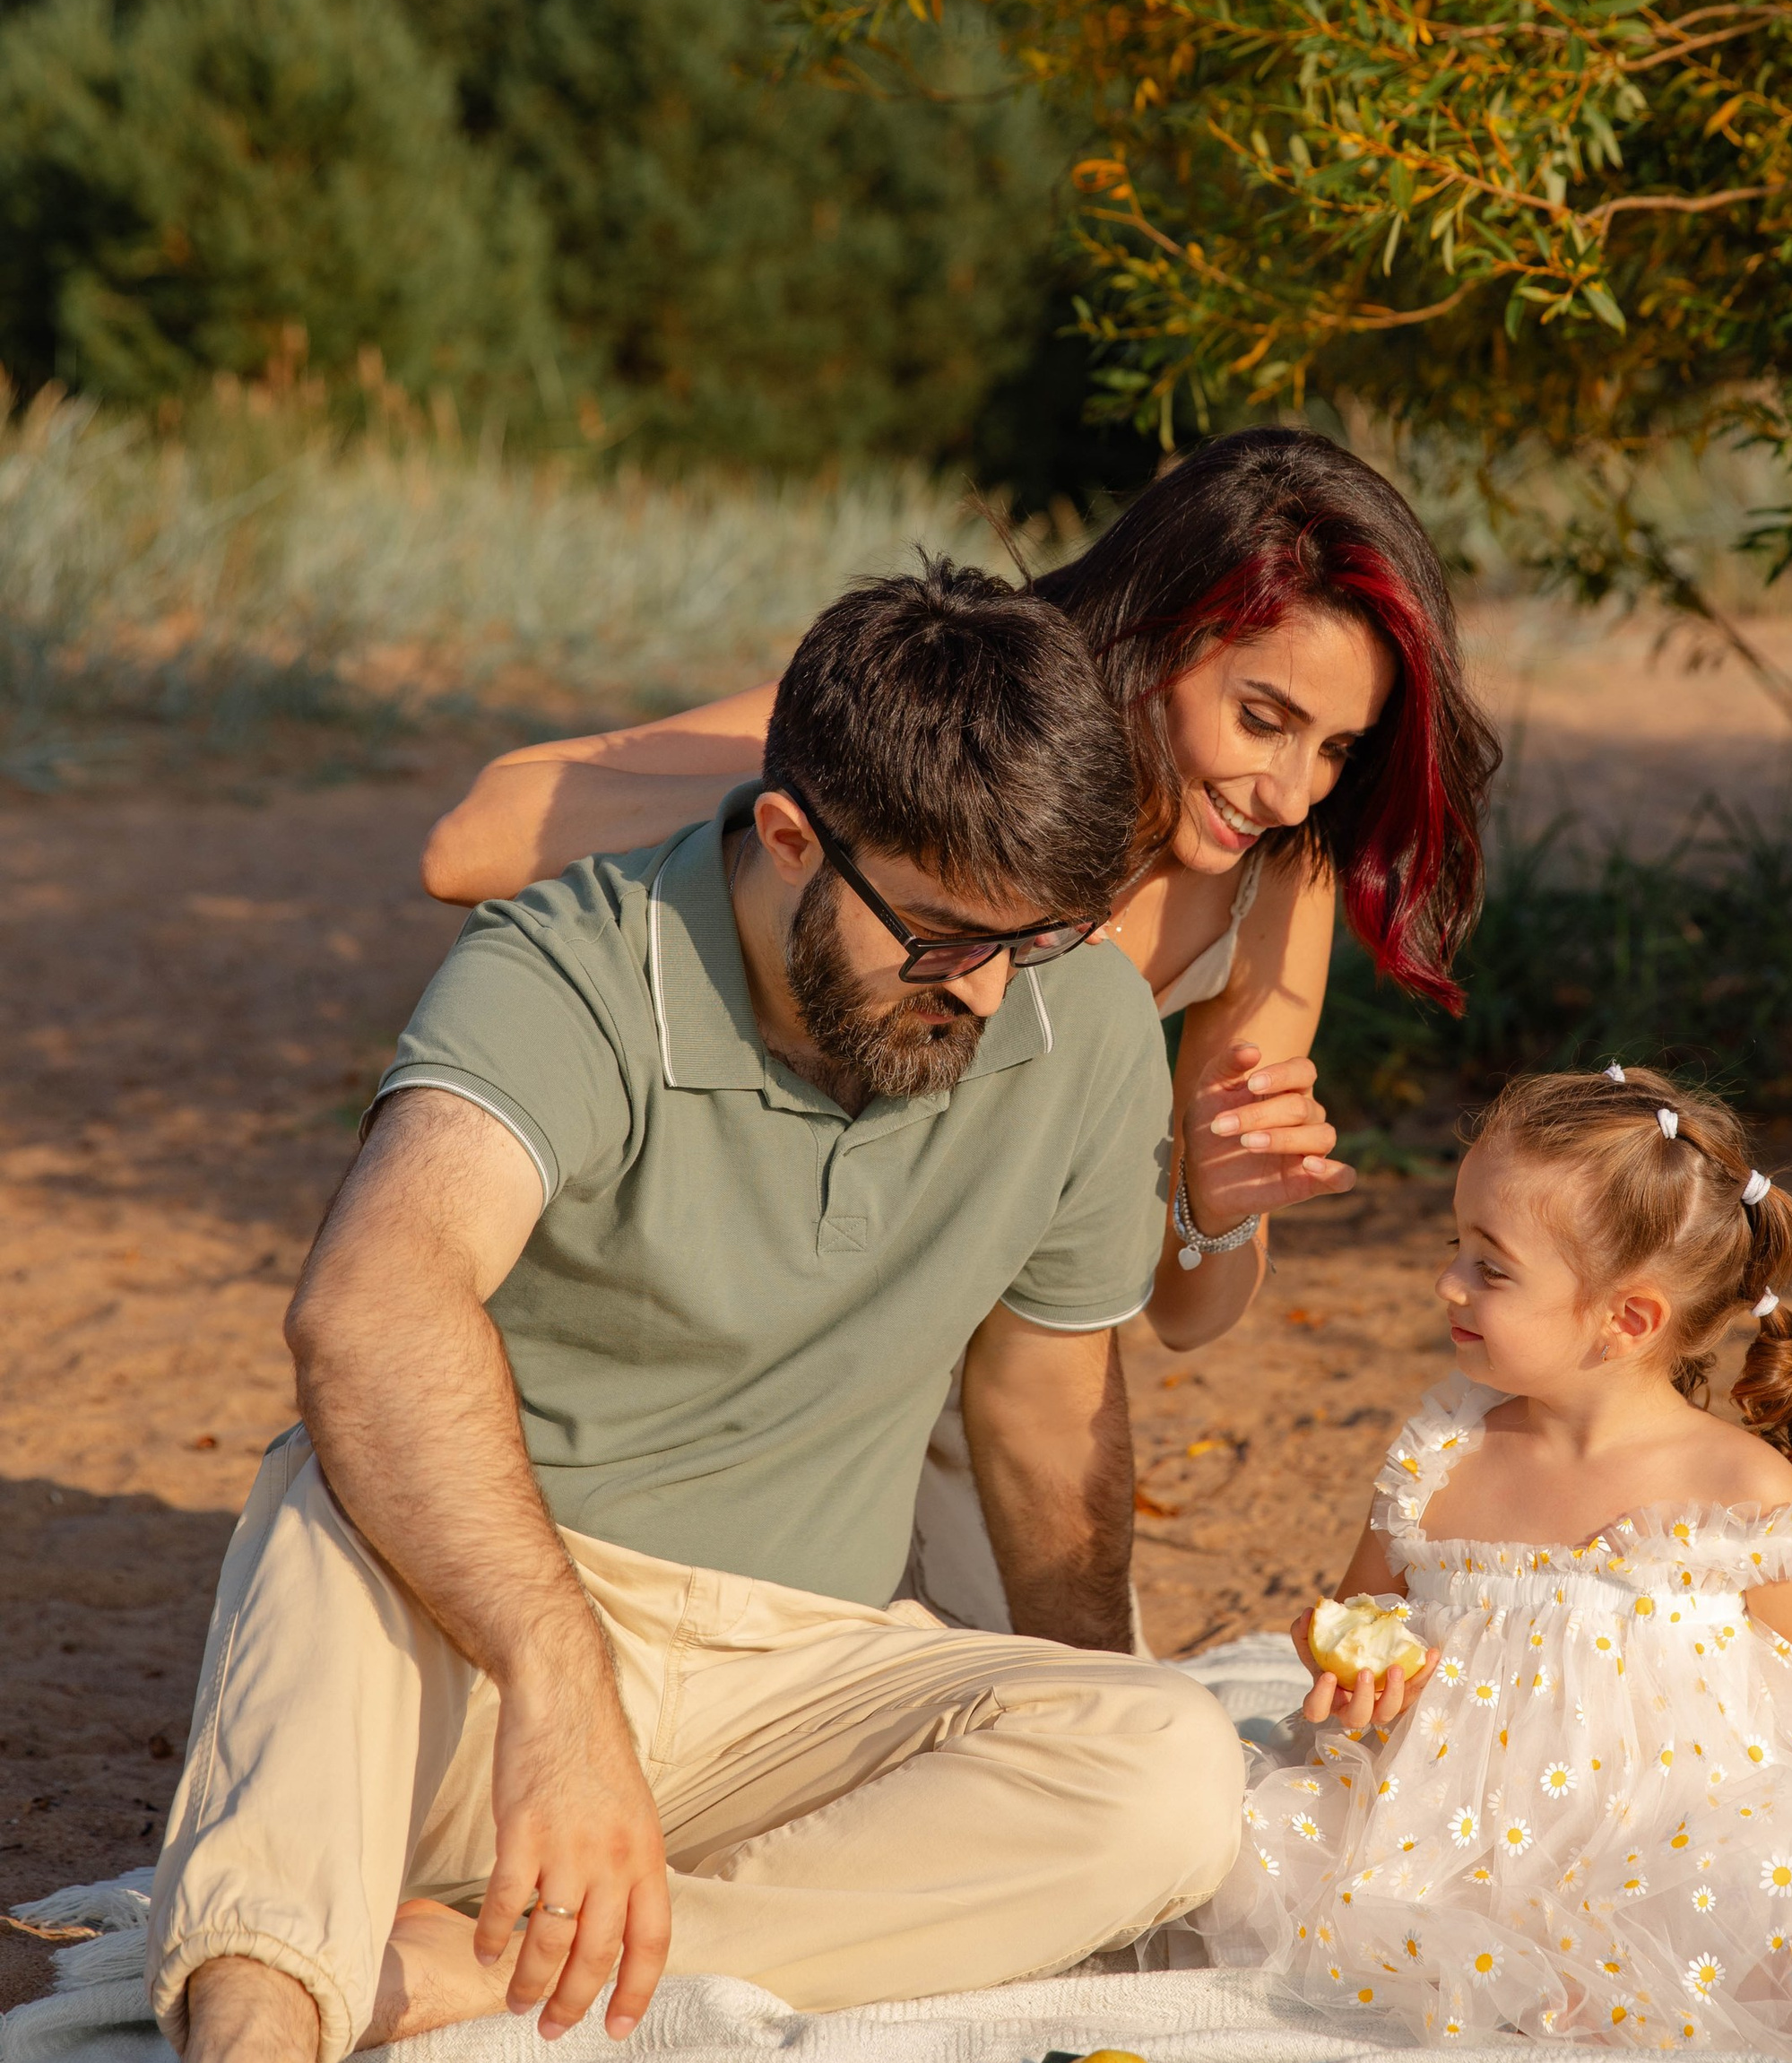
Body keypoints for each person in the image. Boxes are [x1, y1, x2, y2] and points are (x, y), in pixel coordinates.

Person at [22, 563, 1246, 2063]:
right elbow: (375, 1301)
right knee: (323, 1495)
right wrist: (550, 1666)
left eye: (1028, 945)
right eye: (945, 937)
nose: (984, 997)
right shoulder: (569, 966)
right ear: (788, 834)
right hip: (484, 1655)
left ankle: (474, 1965)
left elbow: (1047, 1420)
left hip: (790, 1691)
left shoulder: (1072, 1027)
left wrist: (1080, 1775)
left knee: (1168, 1764)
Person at [422, 429, 1502, 1626]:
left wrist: (1214, 1207)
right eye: (1261, 718)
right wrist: (887, 808)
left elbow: (1188, 1318)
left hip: (985, 1323)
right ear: (1158, 638)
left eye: (1337, 749)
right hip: (741, 1258)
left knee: (1069, 1704)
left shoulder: (1274, 877)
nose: (1295, 789)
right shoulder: (957, 697)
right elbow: (468, 842)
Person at [1208, 1066, 1792, 2063]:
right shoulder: (1439, 1456)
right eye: (1456, 1246)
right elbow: (1359, 1622)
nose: (1447, 1281)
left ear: (1626, 1320)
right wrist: (1355, 1683)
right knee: (1303, 1894)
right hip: (1445, 1835)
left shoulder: (1735, 1488)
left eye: (1491, 1268)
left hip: (1672, 1842)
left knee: (1775, 1955)